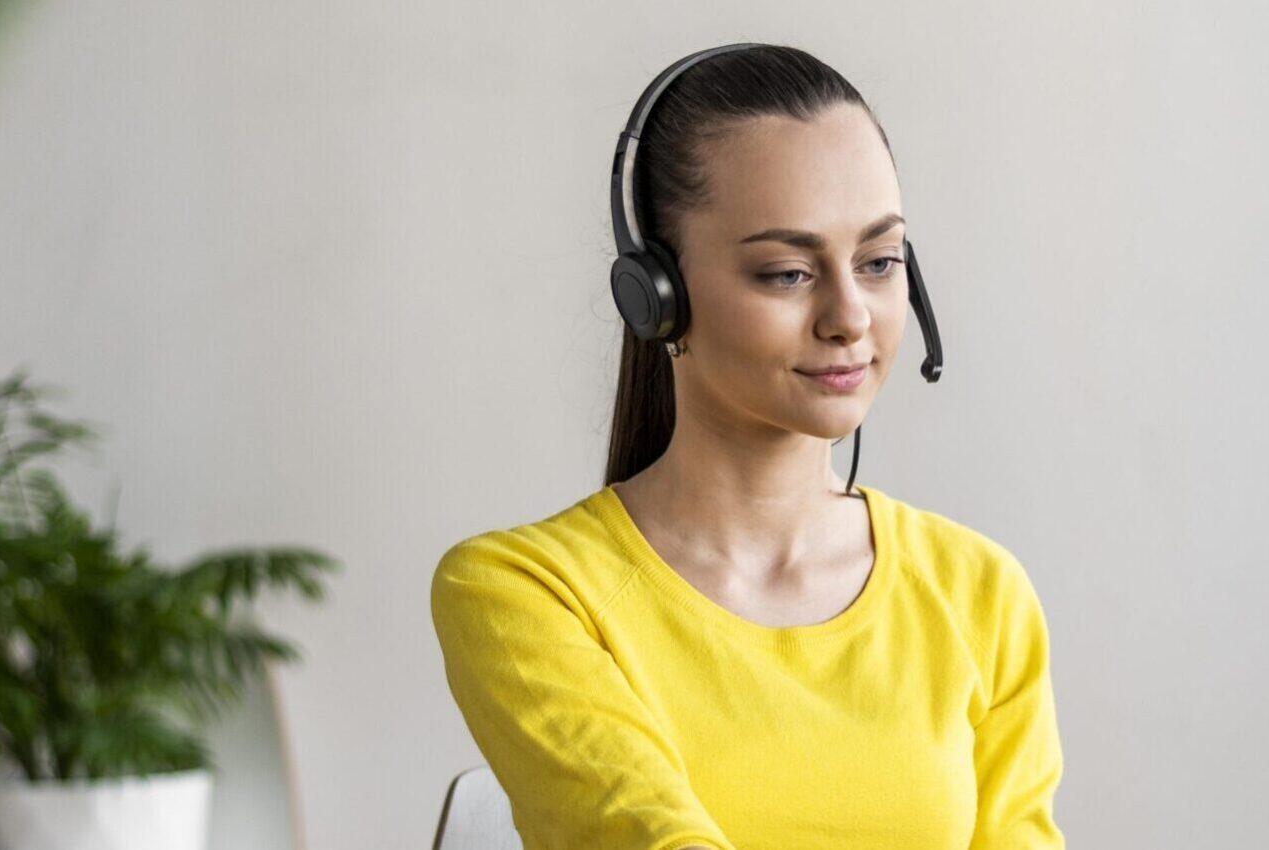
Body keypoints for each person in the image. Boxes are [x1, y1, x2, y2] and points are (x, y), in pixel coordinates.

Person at [429, 44, 1064, 850]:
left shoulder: (980, 593)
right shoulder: (524, 591)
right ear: (656, 296)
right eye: (787, 273)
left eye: (877, 261)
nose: (849, 317)